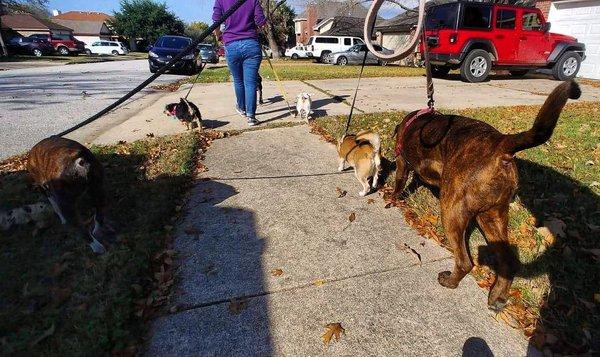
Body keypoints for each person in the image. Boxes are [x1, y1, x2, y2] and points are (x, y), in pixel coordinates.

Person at [213, 0, 266, 126]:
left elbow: (216, 21)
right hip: (251, 44)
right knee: (251, 82)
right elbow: (261, 22)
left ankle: (241, 108)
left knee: (238, 80)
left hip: (231, 44)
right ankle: (251, 117)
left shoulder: (221, 0)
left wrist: (218, 35)